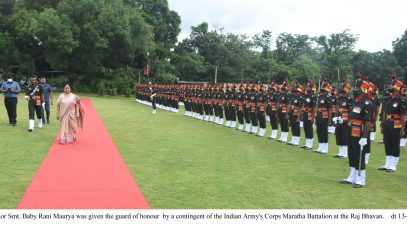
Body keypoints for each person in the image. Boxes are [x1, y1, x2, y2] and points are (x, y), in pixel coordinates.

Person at [340, 78, 372, 188]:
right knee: (352, 154)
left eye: (357, 88)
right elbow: (351, 117)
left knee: (359, 155)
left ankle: (361, 179)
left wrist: (364, 137)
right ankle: (352, 177)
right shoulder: (356, 102)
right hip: (351, 130)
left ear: (362, 89)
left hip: (359, 132)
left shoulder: (366, 103)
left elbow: (368, 122)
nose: (354, 89)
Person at [378, 75, 406, 172]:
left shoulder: (402, 100)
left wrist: (402, 129)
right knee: (387, 143)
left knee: (395, 143)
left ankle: (393, 166)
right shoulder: (388, 99)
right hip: (387, 123)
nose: (390, 88)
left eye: (391, 87)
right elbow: (385, 113)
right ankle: (387, 164)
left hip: (397, 123)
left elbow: (403, 116)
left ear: (397, 89)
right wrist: (382, 125)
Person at [333, 80, 352, 159]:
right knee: (339, 135)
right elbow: (338, 109)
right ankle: (340, 152)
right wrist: (336, 117)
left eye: (344, 92)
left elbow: (350, 110)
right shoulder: (340, 99)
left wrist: (347, 120)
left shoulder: (350, 99)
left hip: (345, 120)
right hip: (339, 119)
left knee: (344, 136)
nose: (342, 93)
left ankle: (344, 153)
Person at [314, 79, 332, 154]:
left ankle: (325, 148)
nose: (321, 87)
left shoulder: (328, 97)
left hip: (325, 116)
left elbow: (330, 109)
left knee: (324, 132)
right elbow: (317, 107)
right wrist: (316, 115)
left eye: (323, 86)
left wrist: (329, 120)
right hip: (319, 116)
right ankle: (320, 146)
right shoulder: (320, 96)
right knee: (319, 131)